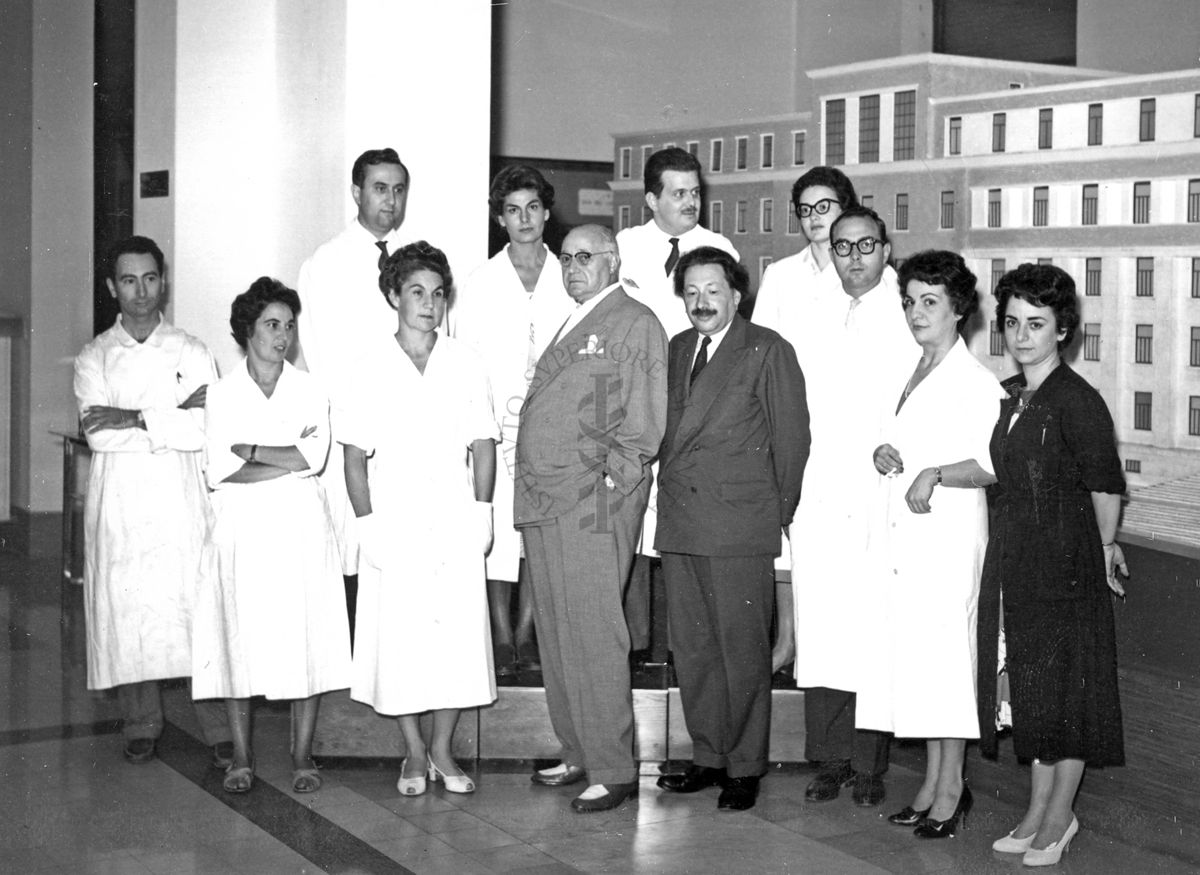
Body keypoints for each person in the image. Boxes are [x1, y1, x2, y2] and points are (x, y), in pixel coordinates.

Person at [977, 263, 1129, 867]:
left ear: (1062, 330)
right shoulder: (1015, 396)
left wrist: (1103, 549)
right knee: (1037, 697)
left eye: (1036, 324)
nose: (1021, 335)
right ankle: (1036, 811)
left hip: (1067, 569)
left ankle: (1061, 817)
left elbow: (1106, 487)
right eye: (1012, 322)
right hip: (1022, 563)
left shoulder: (1076, 399)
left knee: (1069, 697)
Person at [515, 224, 668, 813]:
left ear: (612, 261)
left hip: (592, 503)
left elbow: (643, 421)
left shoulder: (635, 321)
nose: (573, 267)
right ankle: (577, 747)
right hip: (546, 499)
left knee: (596, 630)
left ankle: (612, 766)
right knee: (557, 631)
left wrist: (611, 483)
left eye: (585, 257)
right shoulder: (572, 319)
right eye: (567, 258)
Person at [653, 247, 810, 811]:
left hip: (739, 524)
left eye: (712, 290)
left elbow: (792, 443)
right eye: (691, 292)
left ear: (736, 295)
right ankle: (708, 755)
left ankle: (745, 766)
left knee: (742, 652)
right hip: (681, 521)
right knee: (693, 649)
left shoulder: (767, 349)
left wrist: (774, 512)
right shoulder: (675, 349)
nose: (701, 302)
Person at [340, 241, 498, 797]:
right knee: (401, 638)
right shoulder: (369, 367)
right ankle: (411, 751)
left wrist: (482, 513)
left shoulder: (465, 361)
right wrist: (369, 526)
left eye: (437, 294)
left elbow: (483, 444)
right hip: (396, 516)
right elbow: (354, 459)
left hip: (454, 513)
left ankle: (443, 749)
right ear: (393, 296)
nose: (428, 305)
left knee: (456, 635)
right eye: (416, 293)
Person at [855, 251, 1004, 837]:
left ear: (958, 309)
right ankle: (932, 784)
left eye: (930, 302)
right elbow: (896, 441)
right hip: (906, 543)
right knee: (921, 666)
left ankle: (952, 789)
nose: (917, 312)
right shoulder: (909, 370)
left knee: (948, 668)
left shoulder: (976, 381)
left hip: (947, 542)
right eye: (910, 301)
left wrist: (937, 472)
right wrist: (882, 453)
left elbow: (993, 465)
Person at [73, 235, 231, 767]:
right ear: (112, 287)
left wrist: (134, 416)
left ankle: (219, 730)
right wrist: (172, 414)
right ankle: (141, 721)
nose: (141, 292)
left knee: (194, 609)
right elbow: (99, 435)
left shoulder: (190, 350)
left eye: (150, 278)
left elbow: (207, 428)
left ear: (164, 282)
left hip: (180, 497)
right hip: (119, 500)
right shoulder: (95, 355)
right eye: (128, 280)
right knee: (131, 609)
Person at [192, 278, 350, 794]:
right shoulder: (221, 393)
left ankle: (302, 754)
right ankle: (241, 756)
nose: (282, 336)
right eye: (271, 326)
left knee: (302, 640)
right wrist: (282, 456)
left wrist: (253, 451)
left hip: (300, 529)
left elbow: (314, 457)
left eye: (288, 326)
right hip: (240, 531)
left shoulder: (311, 390)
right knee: (240, 642)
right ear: (247, 331)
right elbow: (218, 469)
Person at [790, 207, 917, 807]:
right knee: (823, 627)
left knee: (871, 630)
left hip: (877, 494)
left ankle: (870, 764)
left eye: (867, 245)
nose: (855, 257)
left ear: (886, 249)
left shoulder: (908, 315)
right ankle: (832, 758)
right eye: (843, 247)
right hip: (819, 493)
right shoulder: (814, 311)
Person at [615, 146, 738, 660]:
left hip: (695, 394)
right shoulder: (624, 245)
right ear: (651, 199)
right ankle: (635, 645)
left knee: (682, 520)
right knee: (633, 520)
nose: (692, 202)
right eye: (679, 193)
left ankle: (675, 648)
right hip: (636, 397)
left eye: (696, 193)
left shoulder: (719, 247)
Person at [451, 165, 573, 680]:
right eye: (512, 210)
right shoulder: (480, 283)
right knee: (497, 524)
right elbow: (465, 359)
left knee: (541, 526)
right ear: (500, 219)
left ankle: (529, 631)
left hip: (553, 421)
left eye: (532, 208)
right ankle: (500, 635)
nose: (524, 219)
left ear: (546, 212)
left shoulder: (570, 273)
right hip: (495, 422)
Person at [296, 147, 412, 633]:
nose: (390, 200)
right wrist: (370, 421)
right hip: (357, 431)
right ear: (357, 192)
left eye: (399, 189)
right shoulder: (327, 263)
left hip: (410, 431)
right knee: (355, 553)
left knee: (405, 554)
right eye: (380, 188)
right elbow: (325, 360)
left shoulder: (415, 259)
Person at [751, 167, 859, 675]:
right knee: (785, 538)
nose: (815, 219)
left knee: (834, 541)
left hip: (844, 429)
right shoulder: (781, 276)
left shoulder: (865, 271)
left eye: (826, 207)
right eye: (806, 210)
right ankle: (787, 643)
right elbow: (761, 351)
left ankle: (828, 650)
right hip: (788, 421)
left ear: (846, 208)